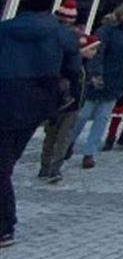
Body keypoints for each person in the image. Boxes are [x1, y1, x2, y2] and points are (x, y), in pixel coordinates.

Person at [0, 0, 82, 246]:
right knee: (6, 161)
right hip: (37, 103)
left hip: (4, 96)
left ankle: (5, 225)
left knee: (2, 165)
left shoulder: (4, 30)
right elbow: (73, 69)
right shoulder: (62, 34)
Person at [69, 2, 123, 169]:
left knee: (102, 117)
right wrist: (95, 73)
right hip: (100, 75)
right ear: (120, 12)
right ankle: (68, 143)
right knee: (84, 114)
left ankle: (89, 152)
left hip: (118, 79)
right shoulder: (107, 29)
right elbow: (98, 52)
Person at [40, 30, 96, 183]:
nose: (94, 53)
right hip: (58, 106)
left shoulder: (86, 68)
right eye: (91, 49)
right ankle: (45, 166)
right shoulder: (68, 66)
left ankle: (55, 168)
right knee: (51, 137)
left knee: (63, 138)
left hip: (74, 108)